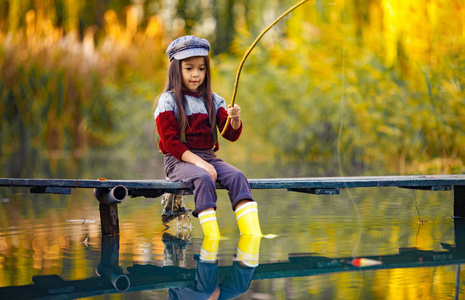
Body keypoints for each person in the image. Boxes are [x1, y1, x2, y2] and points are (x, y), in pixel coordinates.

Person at [154, 35, 263, 238]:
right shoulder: (167, 101)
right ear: (177, 70)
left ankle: (253, 234)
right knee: (203, 177)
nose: (196, 74)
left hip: (209, 157)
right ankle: (212, 237)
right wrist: (200, 164)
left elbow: (229, 134)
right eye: (189, 68)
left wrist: (236, 119)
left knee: (238, 176)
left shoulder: (214, 101)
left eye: (201, 68)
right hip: (178, 161)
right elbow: (170, 143)